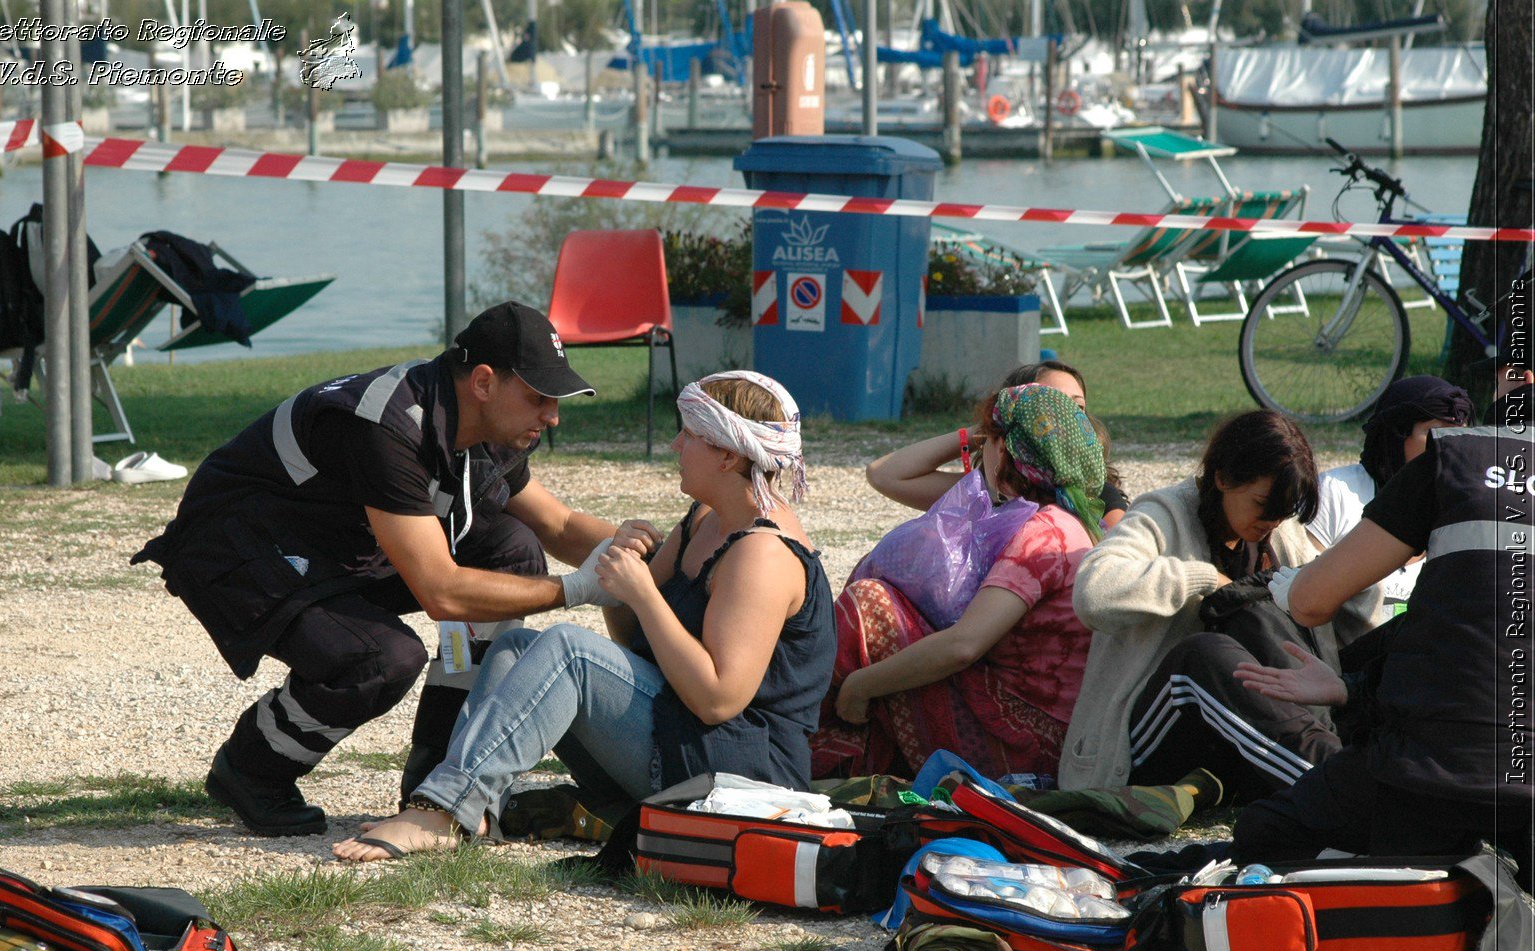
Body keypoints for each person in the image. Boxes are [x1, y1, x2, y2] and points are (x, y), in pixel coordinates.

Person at [132, 302, 644, 837]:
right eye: (539, 397)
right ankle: (253, 766)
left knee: (511, 548)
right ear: (485, 383)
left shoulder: (483, 425)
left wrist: (651, 553)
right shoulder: (386, 424)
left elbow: (557, 525)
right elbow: (442, 592)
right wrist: (580, 588)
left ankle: (440, 768)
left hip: (340, 548)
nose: (553, 416)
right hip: (240, 549)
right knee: (380, 660)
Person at [332, 371, 835, 861]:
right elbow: (639, 640)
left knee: (568, 649)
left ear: (728, 454)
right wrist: (620, 588)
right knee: (516, 648)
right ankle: (475, 807)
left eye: (690, 435)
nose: (676, 446)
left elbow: (718, 699)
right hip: (686, 743)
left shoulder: (763, 554)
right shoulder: (706, 519)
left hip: (742, 777)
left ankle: (443, 811)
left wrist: (643, 595)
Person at [1232, 371, 1533, 886]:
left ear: (1519, 377)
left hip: (1431, 771)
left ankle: (1443, 872)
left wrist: (1288, 585)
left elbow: (1310, 603)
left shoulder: (1459, 456)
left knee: (1264, 834)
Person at [1061, 410, 1382, 799]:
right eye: (1262, 504)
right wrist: (1204, 580)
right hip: (1139, 745)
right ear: (1223, 478)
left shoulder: (1277, 535)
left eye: (1283, 512)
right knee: (1204, 655)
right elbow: (1092, 592)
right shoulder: (1163, 515)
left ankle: (1359, 770)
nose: (1272, 521)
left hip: (1226, 742)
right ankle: (1342, 787)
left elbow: (1342, 606)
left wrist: (1354, 576)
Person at [810, 383, 1106, 782]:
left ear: (1003, 450)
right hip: (1035, 726)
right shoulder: (1062, 519)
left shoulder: (1045, 532)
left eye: (990, 440)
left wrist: (860, 686)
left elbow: (964, 646)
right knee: (890, 605)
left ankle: (793, 744)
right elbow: (885, 474)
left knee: (870, 606)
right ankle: (823, 749)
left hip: (1021, 740)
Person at [1304, 375, 1472, 607]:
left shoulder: (1468, 509)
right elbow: (1300, 589)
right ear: (1396, 435)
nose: (1450, 447)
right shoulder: (1336, 492)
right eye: (1436, 433)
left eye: (1460, 434)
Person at [1000, 359, 1131, 526]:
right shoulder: (992, 484)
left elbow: (1121, 545)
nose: (1069, 417)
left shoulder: (1096, 495)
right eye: (1054, 403)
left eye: (1077, 406)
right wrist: (986, 427)